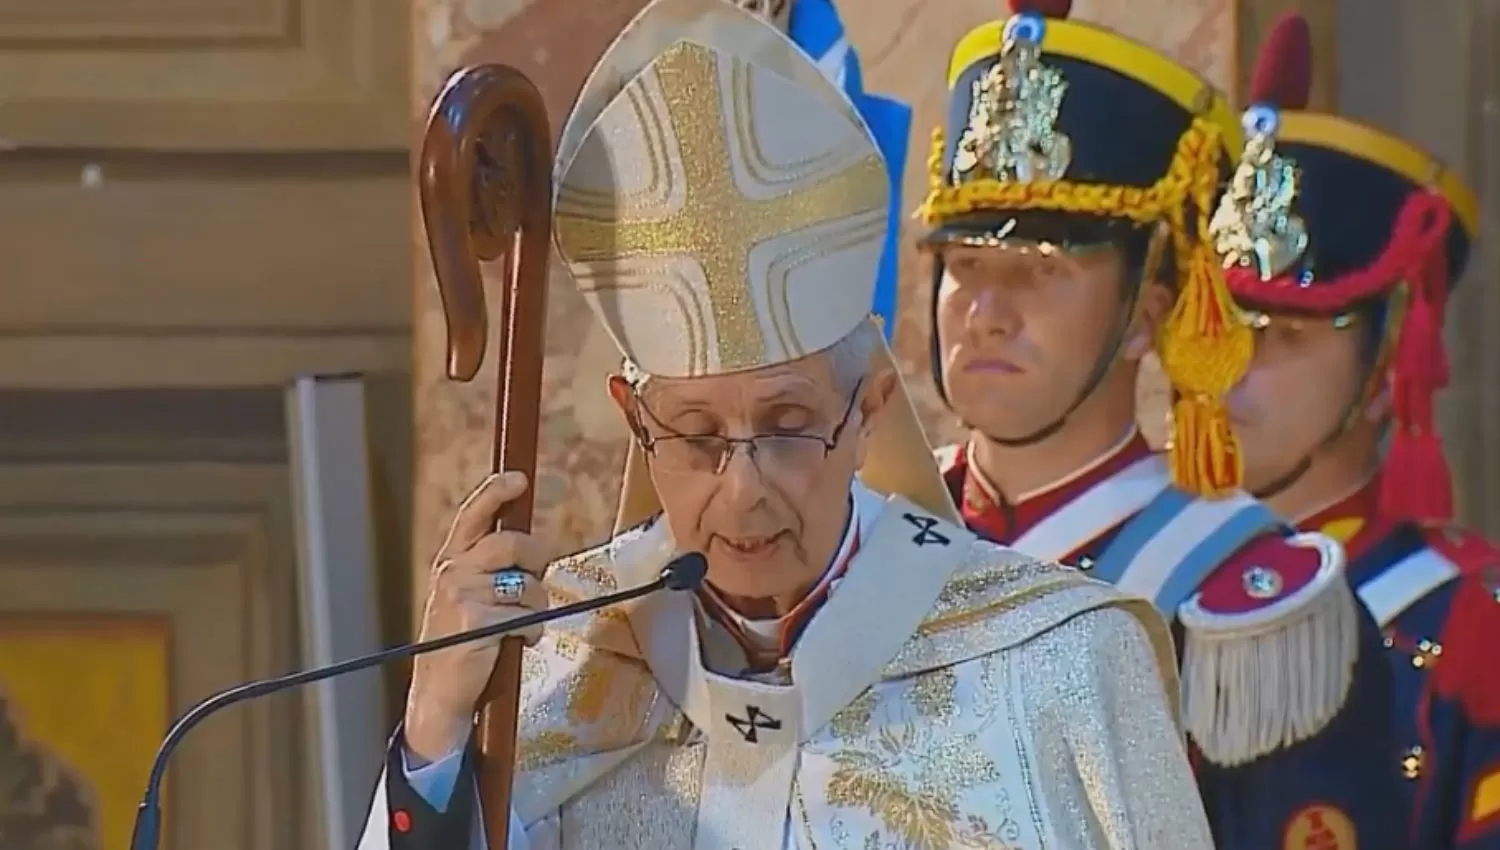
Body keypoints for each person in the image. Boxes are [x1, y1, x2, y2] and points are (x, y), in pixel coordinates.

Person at [357, 0, 1215, 848]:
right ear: (636, 420)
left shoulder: (1064, 662)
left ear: (870, 411)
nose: (745, 491)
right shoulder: (560, 665)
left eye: (788, 424)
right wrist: (436, 733)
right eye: (696, 434)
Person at [917, 1, 1404, 847]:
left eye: (1037, 271)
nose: (985, 313)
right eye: (963, 265)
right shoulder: (866, 536)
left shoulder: (1245, 614)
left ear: (1147, 317)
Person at [1216, 13, 1500, 850]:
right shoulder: (1138, 582)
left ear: (1384, 375)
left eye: (1282, 336)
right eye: (1221, 327)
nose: (1230, 368)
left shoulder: (1467, 625)